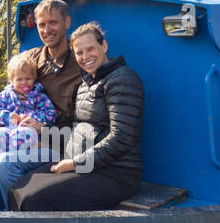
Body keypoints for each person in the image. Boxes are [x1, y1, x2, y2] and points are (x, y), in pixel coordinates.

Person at [9, 22, 143, 212]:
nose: (85, 57)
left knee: (33, 199)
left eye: (90, 49)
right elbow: (78, 131)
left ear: (103, 46)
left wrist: (74, 163)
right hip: (84, 164)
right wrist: (42, 131)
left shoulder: (122, 79)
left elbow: (121, 138)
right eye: (79, 53)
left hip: (115, 173)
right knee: (18, 188)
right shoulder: (85, 84)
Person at [0, 0, 85, 208]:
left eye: (53, 23)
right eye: (42, 24)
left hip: (56, 142)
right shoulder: (30, 59)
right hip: (19, 135)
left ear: (66, 23)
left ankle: (20, 216)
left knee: (3, 164)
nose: (47, 29)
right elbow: (7, 99)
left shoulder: (80, 64)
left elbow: (83, 119)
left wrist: (44, 129)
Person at [0, 54, 56, 181]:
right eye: (19, 79)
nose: (24, 83)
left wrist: (32, 117)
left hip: (27, 130)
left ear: (34, 79)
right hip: (8, 129)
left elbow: (50, 113)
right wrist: (7, 116)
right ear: (11, 80)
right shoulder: (6, 95)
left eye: (28, 79)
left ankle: (3, 163)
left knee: (24, 133)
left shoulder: (39, 96)